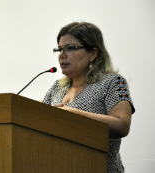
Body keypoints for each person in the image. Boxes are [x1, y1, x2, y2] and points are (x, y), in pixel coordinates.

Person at [42, 22, 135, 173]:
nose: (62, 55)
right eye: (59, 49)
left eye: (71, 48)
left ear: (93, 53)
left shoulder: (112, 82)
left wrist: (74, 115)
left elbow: (122, 125)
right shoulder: (57, 87)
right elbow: (35, 118)